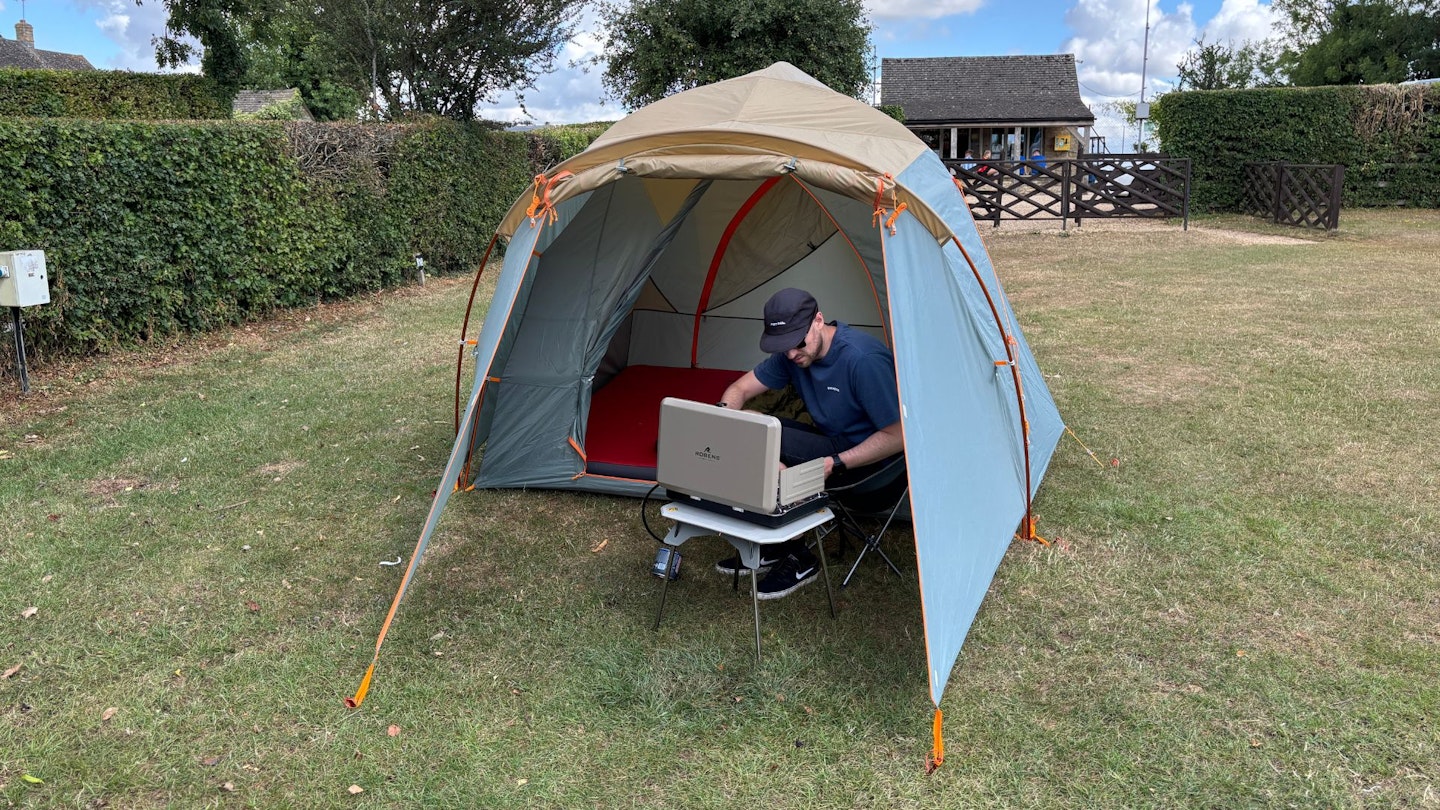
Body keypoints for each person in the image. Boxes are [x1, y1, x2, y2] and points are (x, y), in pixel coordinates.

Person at [712, 288, 903, 600]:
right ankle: (778, 543)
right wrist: (723, 419)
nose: (791, 354)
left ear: (818, 321)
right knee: (749, 426)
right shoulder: (792, 354)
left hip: (875, 470)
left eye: (797, 343)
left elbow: (900, 437)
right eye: (783, 346)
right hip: (833, 446)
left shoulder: (862, 359)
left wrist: (836, 463)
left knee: (763, 441)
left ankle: (799, 557)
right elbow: (739, 389)